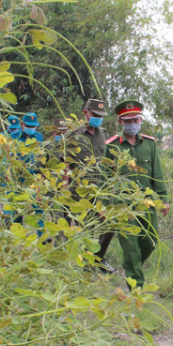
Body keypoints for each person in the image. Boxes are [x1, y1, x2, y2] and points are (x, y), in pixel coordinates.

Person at [103, 100, 169, 289]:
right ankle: (137, 288)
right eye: (128, 120)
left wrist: (164, 200)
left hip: (146, 204)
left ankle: (131, 266)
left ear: (140, 120)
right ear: (120, 123)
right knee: (131, 248)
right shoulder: (113, 146)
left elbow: (158, 174)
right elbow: (105, 178)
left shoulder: (150, 145)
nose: (132, 124)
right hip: (123, 204)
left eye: (136, 120)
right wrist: (104, 204)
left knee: (151, 242)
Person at [65, 99, 114, 273]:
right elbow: (66, 164)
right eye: (95, 115)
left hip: (102, 191)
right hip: (81, 192)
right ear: (86, 113)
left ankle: (99, 257)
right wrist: (65, 188)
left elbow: (110, 161)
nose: (98, 119)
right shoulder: (73, 135)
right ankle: (87, 265)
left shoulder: (105, 135)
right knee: (87, 229)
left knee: (110, 226)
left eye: (101, 116)